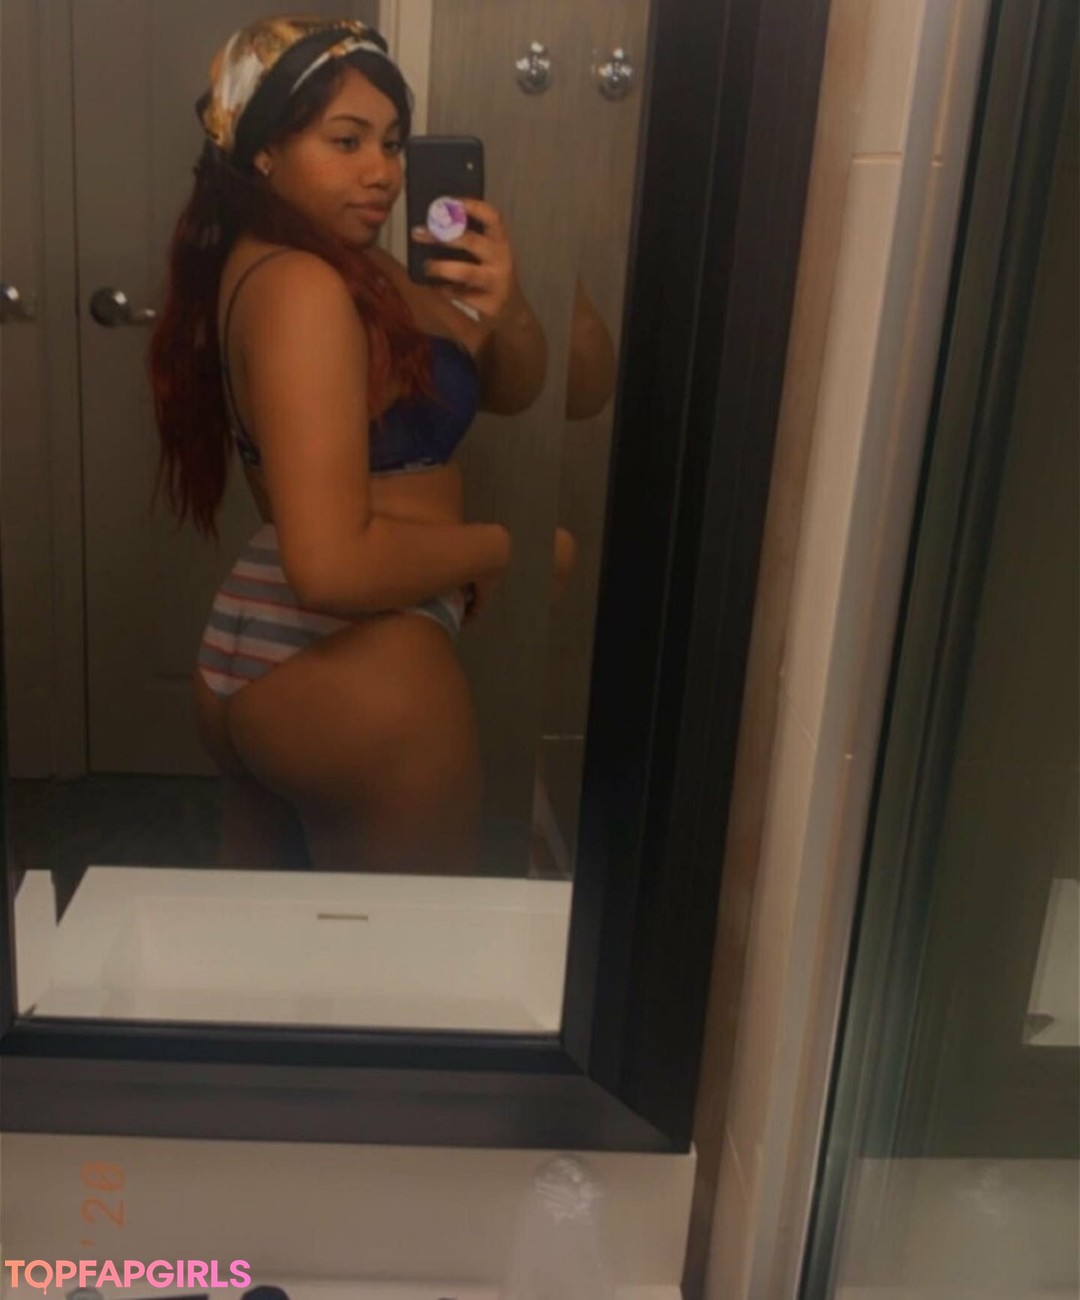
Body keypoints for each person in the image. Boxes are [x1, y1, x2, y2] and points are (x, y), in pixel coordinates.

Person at [150, 16, 549, 874]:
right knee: (408, 951)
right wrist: (499, 546)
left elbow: (514, 388)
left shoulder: (334, 265)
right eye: (347, 141)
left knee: (269, 944)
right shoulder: (303, 285)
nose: (384, 172)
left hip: (265, 642)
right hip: (359, 660)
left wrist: (507, 303)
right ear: (265, 151)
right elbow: (330, 567)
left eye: (392, 143)